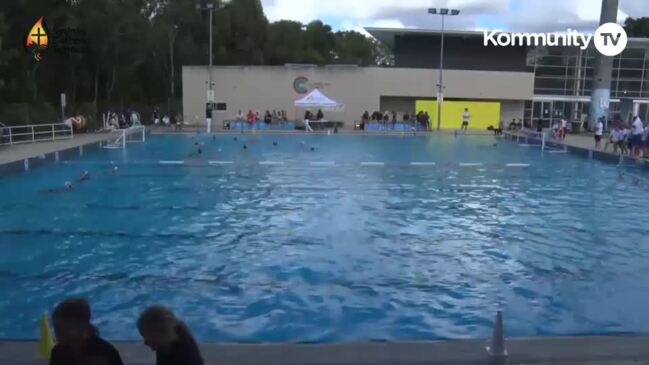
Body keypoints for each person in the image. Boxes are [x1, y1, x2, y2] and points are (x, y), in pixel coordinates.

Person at [49, 298, 123, 365]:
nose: (56, 333)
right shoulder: (58, 352)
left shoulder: (104, 352)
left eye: (63, 329)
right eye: (56, 328)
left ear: (81, 326)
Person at [138, 305, 203, 365]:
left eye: (147, 338)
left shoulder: (185, 357)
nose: (145, 343)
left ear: (161, 334)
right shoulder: (166, 344)